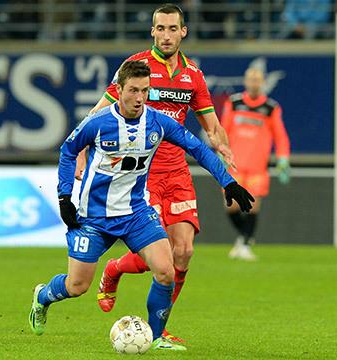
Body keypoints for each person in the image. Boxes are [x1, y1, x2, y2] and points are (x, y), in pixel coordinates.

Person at [28, 60, 254, 351]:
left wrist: (228, 181)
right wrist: (64, 196)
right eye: (133, 90)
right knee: (77, 286)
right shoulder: (98, 123)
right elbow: (68, 150)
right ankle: (43, 296)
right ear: (119, 90)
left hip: (136, 213)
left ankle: (157, 337)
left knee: (166, 270)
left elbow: (197, 148)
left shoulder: (157, 122)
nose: (139, 98)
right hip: (95, 217)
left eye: (145, 91)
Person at [76, 3, 236, 343]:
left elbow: (211, 123)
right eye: (160, 28)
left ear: (183, 31)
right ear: (152, 31)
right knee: (157, 254)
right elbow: (99, 111)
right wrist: (80, 148)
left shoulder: (193, 75)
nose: (166, 35)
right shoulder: (136, 68)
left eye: (172, 28)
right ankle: (114, 269)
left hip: (178, 172)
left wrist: (224, 152)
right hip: (142, 174)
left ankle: (158, 332)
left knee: (184, 253)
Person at [222, 68, 291, 261]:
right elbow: (223, 128)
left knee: (252, 206)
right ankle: (245, 238)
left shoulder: (271, 108)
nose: (254, 83)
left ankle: (244, 244)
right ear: (245, 81)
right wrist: (220, 151)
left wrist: (283, 158)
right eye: (251, 79)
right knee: (232, 207)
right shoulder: (234, 103)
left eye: (257, 80)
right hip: (234, 165)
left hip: (257, 167)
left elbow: (280, 136)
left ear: (263, 82)